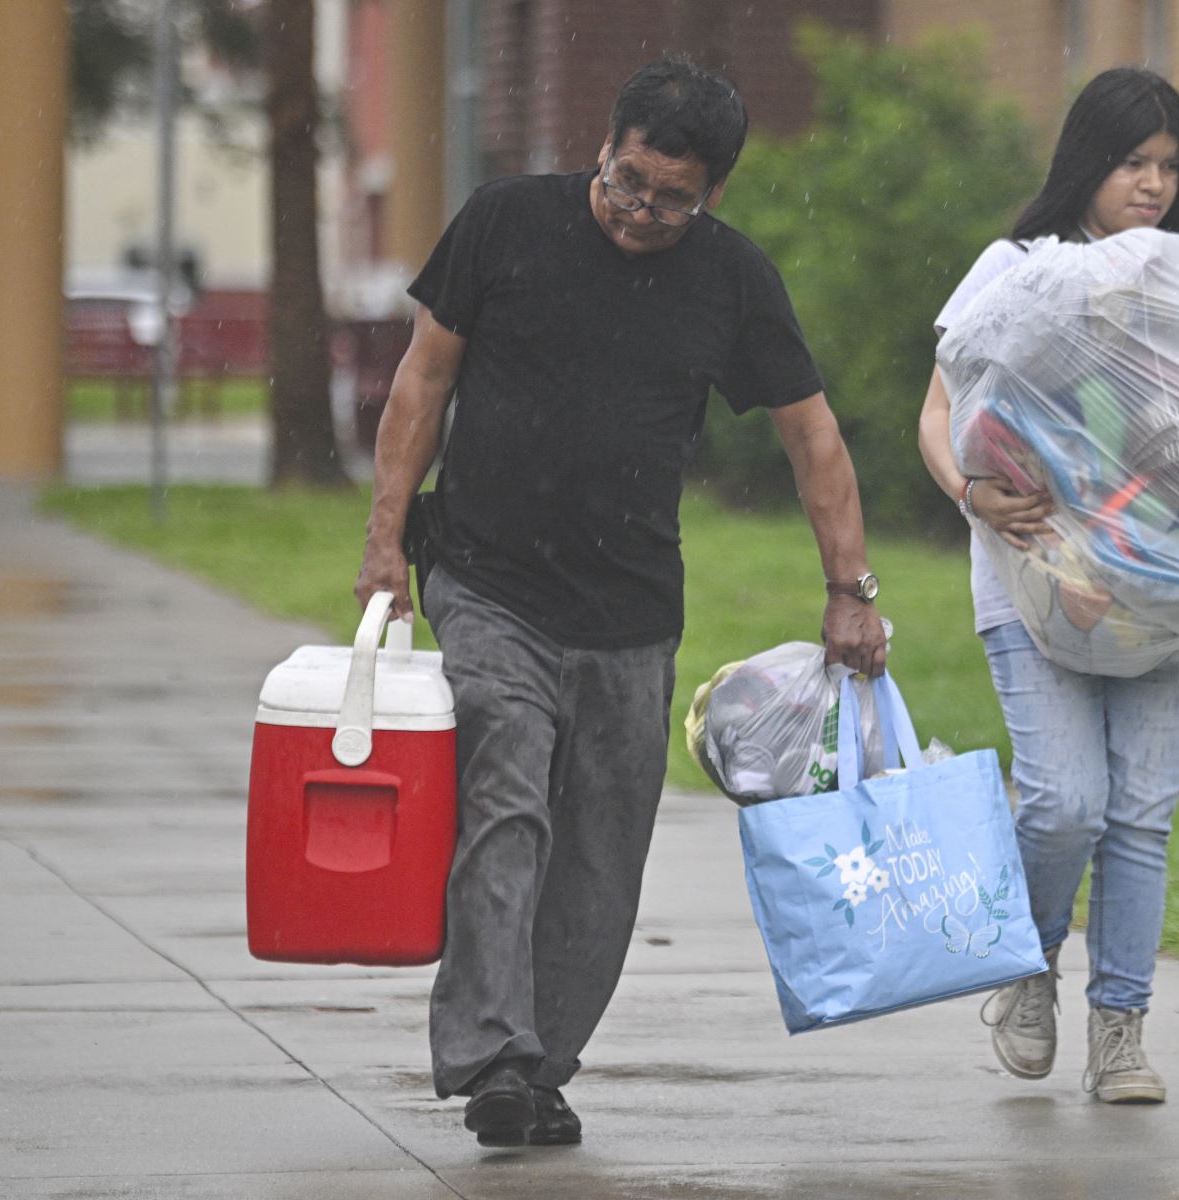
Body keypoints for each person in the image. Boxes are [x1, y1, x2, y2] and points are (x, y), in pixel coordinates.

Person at [355, 55, 888, 1147]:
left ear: (714, 194)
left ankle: (541, 1065)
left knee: (603, 848)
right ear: (604, 146)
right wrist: (382, 547)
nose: (640, 211)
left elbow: (813, 437)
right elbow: (423, 379)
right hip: (489, 577)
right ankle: (492, 1053)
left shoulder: (732, 280)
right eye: (627, 181)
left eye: (670, 198)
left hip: (632, 607)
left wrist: (851, 591)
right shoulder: (506, 223)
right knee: (506, 799)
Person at [916, 67, 1179, 1104]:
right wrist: (970, 493)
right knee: (1062, 804)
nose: (1154, 185)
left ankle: (1121, 1031)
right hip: (1034, 580)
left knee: (1139, 813)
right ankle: (1028, 968)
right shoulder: (1018, 266)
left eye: (1171, 166)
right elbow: (942, 406)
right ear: (1089, 159)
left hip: (1170, 585)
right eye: (1134, 162)